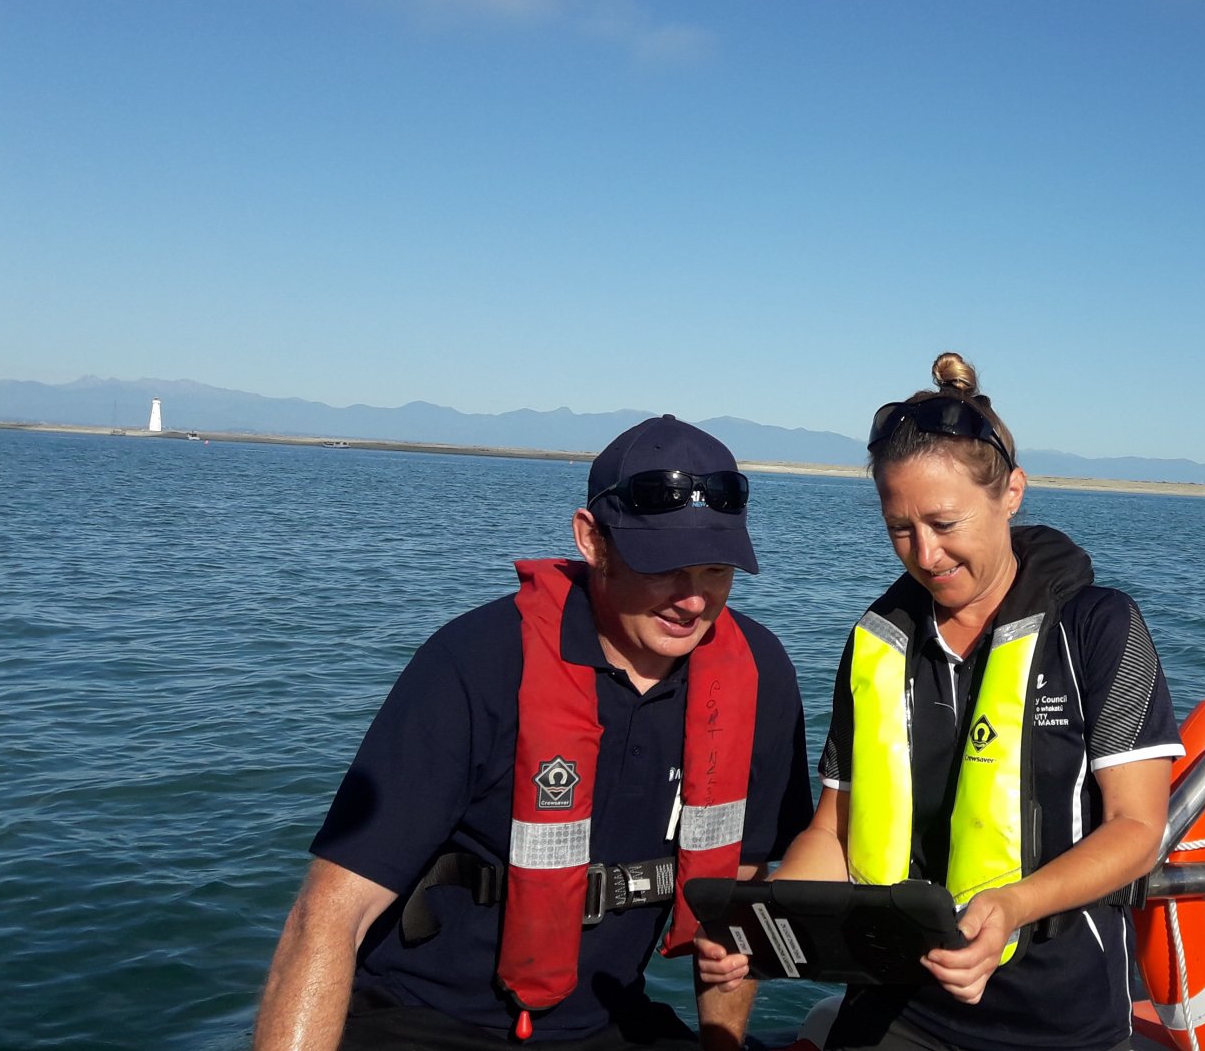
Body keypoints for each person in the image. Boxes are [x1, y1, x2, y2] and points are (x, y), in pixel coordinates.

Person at [255, 416, 813, 1051]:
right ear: (591, 541)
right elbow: (327, 918)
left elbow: (734, 898)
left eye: (715, 570)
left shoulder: (758, 673)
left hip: (605, 1020)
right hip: (424, 1020)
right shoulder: (477, 662)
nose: (692, 601)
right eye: (663, 566)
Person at [699, 353, 1183, 1051]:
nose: (924, 555)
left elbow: (1138, 828)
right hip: (892, 1008)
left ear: (1011, 493)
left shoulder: (1100, 628)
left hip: (1057, 1017)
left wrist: (1012, 906)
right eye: (900, 527)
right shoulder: (877, 644)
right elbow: (833, 832)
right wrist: (769, 928)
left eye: (944, 523)